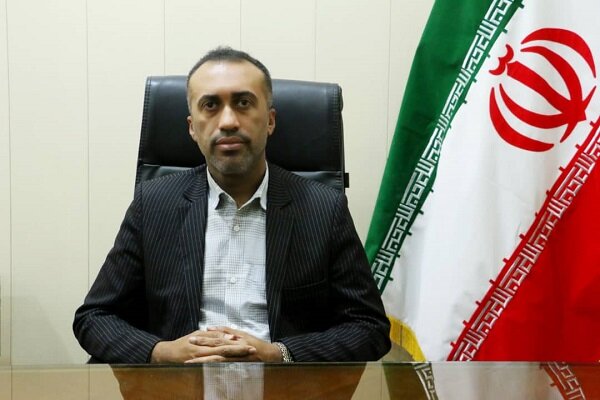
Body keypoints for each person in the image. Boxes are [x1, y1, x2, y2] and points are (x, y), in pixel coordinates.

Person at [73, 46, 391, 364]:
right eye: (210, 105)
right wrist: (162, 353)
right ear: (192, 127)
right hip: (178, 383)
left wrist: (280, 355)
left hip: (283, 384)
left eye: (243, 103)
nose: (227, 121)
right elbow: (95, 317)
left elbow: (369, 327)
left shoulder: (323, 209)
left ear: (270, 121)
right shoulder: (155, 203)